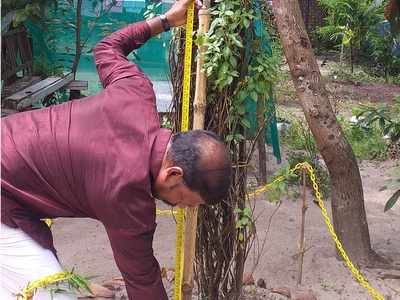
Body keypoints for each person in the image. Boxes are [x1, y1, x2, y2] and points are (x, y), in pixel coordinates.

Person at [0, 0, 232, 299]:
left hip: (8, 153)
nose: (184, 208)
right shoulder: (128, 196)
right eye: (188, 200)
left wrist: (166, 20)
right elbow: (142, 281)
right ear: (174, 174)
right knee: (50, 292)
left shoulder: (137, 92)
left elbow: (107, 49)